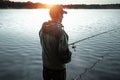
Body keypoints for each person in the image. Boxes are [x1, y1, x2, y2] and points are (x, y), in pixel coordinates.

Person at [39, 5, 72, 80]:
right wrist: (69, 52)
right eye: (62, 14)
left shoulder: (42, 29)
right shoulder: (61, 33)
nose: (63, 17)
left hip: (46, 68)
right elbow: (65, 58)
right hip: (58, 71)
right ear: (59, 15)